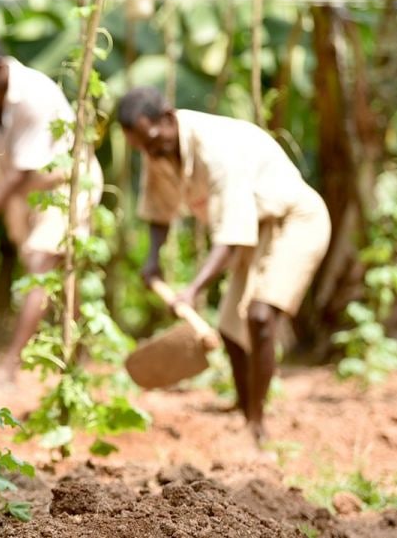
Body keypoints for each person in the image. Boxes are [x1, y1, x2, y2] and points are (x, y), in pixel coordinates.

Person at [118, 86, 330, 444]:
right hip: (256, 229)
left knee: (260, 317)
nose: (151, 152)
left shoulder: (215, 147)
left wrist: (192, 290)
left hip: (295, 220)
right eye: (143, 148)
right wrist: (152, 259)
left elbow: (231, 238)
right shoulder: (157, 150)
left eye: (154, 141)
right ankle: (246, 410)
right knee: (232, 329)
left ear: (167, 118)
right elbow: (158, 211)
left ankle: (257, 426)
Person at [0, 35, 103, 382]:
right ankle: (75, 353)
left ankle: (11, 365)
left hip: (64, 186)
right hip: (23, 191)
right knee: (52, 275)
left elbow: (18, 176)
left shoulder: (34, 95)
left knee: (40, 263)